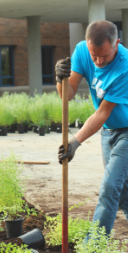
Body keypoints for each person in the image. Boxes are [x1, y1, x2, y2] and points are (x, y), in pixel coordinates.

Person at [56, 20, 128, 238]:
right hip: (108, 132)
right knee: (123, 192)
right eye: (93, 55)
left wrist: (75, 141)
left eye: (104, 56)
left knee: (109, 187)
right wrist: (60, 78)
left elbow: (103, 112)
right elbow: (67, 96)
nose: (98, 61)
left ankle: (93, 250)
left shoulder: (125, 66)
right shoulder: (82, 50)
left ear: (117, 43)